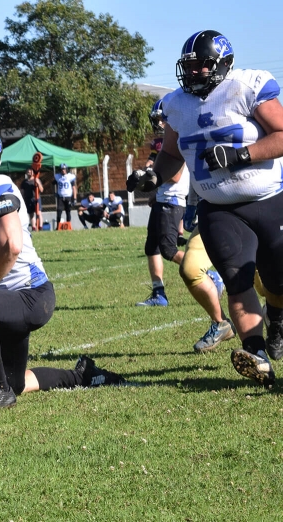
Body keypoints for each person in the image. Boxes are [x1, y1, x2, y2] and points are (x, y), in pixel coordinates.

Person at [141, 30, 283, 385]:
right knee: (236, 280)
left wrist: (241, 154)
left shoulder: (247, 85)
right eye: (191, 66)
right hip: (218, 207)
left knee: (278, 278)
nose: (196, 73)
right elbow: (172, 155)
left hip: (269, 201)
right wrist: (152, 177)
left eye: (204, 65)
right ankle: (256, 353)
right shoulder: (176, 103)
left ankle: (276, 319)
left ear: (223, 63)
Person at [0, 154, 124, 410]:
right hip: (7, 297)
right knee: (17, 383)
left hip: (29, 294)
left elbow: (11, 247)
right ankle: (83, 375)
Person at [129, 98, 190, 307]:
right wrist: (154, 190)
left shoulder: (178, 139)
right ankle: (159, 293)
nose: (160, 123)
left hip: (173, 201)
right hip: (163, 198)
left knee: (168, 249)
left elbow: (174, 176)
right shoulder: (165, 143)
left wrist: (152, 172)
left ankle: (208, 275)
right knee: (152, 247)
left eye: (162, 119)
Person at [179, 188, 234, 353]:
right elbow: (194, 166)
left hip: (257, 206)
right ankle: (220, 323)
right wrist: (191, 204)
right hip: (213, 211)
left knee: (264, 283)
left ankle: (274, 316)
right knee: (191, 269)